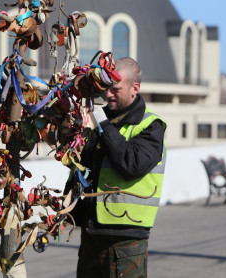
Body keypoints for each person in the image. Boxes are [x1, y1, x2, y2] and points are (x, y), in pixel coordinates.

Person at [65, 57, 166, 277]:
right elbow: (84, 169)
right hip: (93, 231)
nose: (108, 94)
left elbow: (131, 165)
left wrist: (101, 124)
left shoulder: (151, 126)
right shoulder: (98, 120)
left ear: (135, 89)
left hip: (126, 238)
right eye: (106, 87)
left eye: (115, 88)